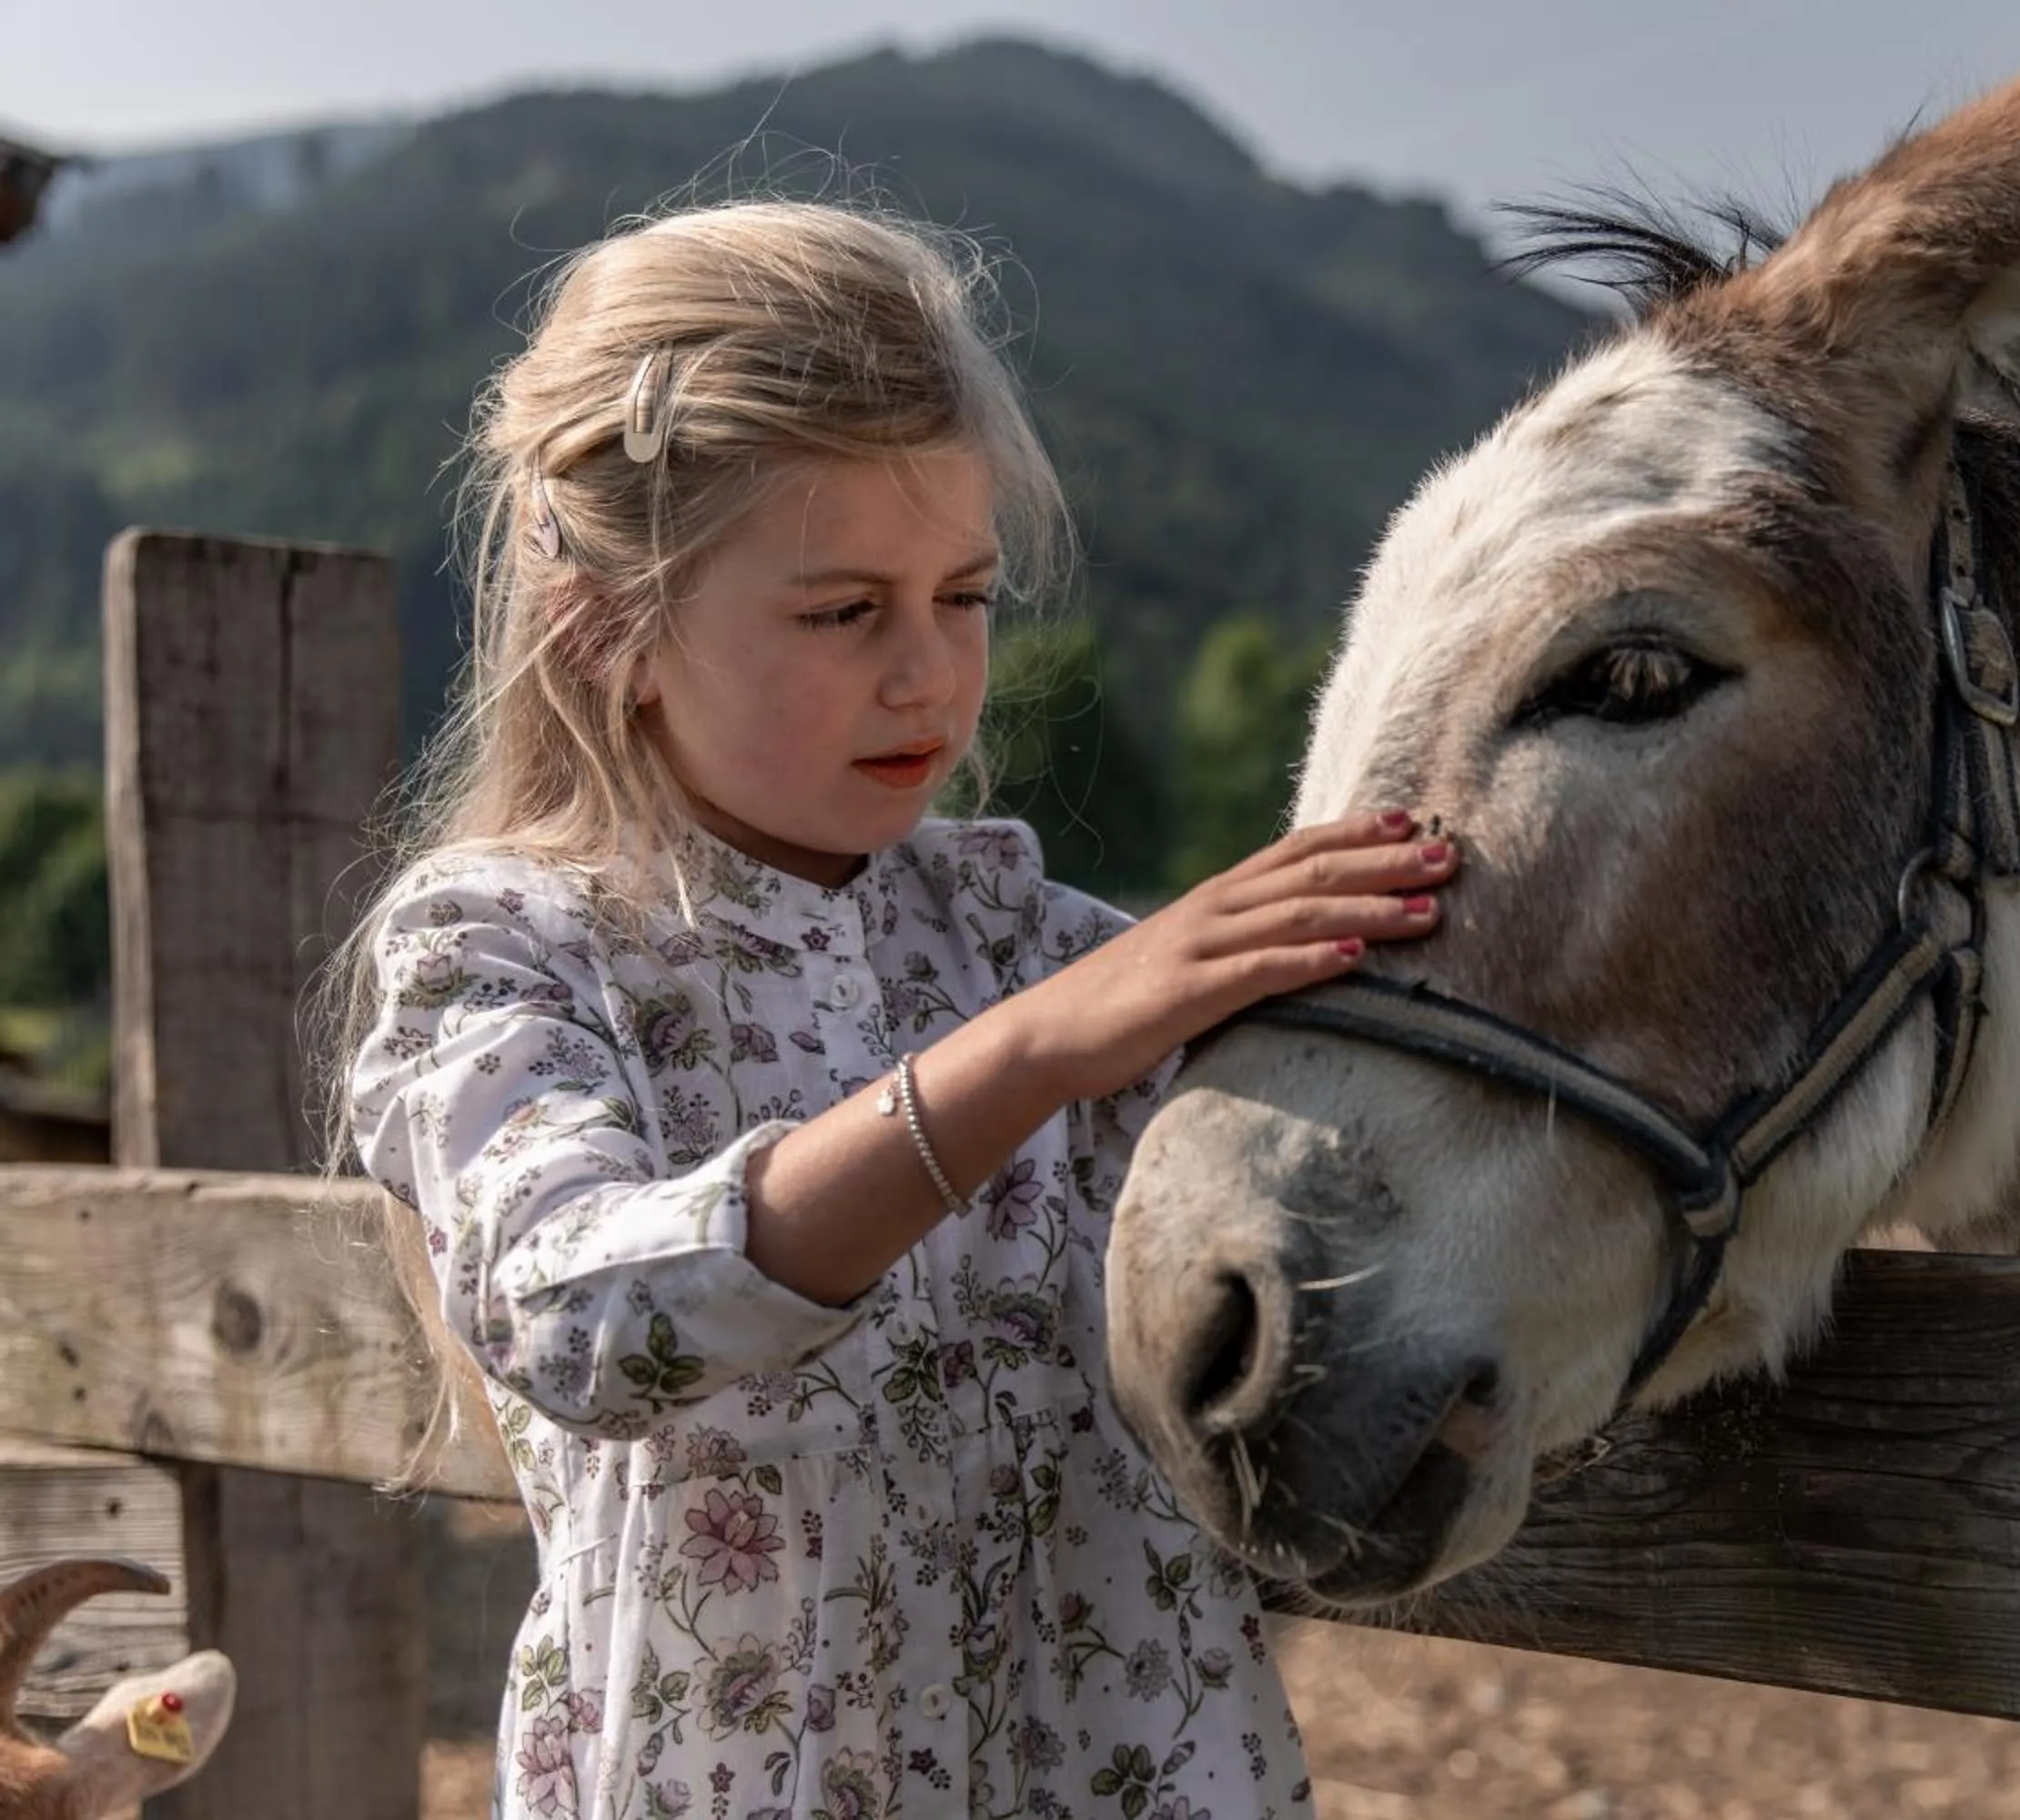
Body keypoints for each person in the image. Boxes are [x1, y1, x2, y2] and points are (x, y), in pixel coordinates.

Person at [329, 197, 1453, 1820]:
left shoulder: (1024, 933)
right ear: (611, 629)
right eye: (844, 611)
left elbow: (1350, 1156)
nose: (927, 674)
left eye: (966, 596)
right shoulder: (500, 950)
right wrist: (1034, 1055)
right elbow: (589, 1320)